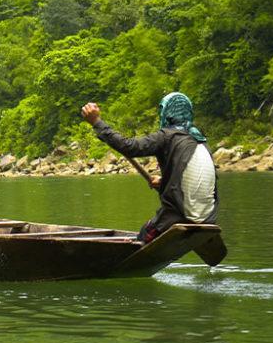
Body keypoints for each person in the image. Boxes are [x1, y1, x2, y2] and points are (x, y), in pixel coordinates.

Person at [80, 92, 218, 243]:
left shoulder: (167, 136)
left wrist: (97, 122)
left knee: (144, 234)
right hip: (208, 217)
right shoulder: (201, 141)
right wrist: (164, 181)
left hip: (179, 216)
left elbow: (129, 147)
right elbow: (191, 174)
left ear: (166, 112)